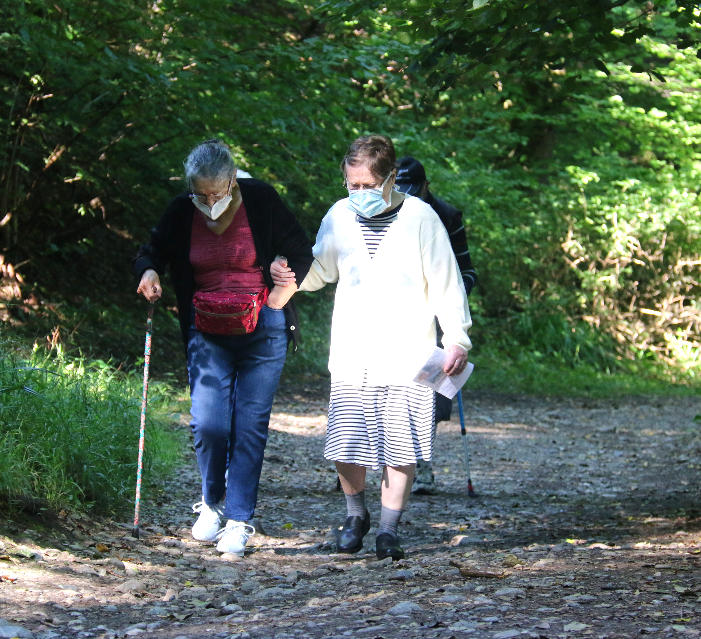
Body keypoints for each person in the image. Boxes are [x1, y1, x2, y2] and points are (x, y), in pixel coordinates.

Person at [271, 135, 471, 560]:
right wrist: (287, 276)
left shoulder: (422, 218)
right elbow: (319, 269)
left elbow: (447, 284)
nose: (357, 194)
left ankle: (388, 529)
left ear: (390, 179)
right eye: (351, 185)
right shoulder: (339, 216)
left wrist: (456, 338)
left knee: (402, 445)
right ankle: (355, 516)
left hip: (407, 352)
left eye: (366, 185)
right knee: (348, 442)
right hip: (352, 351)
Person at [133, 140, 313, 557]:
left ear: (233, 179)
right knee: (209, 423)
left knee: (249, 423)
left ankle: (239, 518)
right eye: (202, 194)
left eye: (217, 192)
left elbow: (302, 251)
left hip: (262, 326)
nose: (210, 201)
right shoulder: (182, 210)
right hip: (207, 328)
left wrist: (282, 289)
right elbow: (150, 251)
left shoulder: (262, 198)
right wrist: (148, 272)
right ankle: (212, 503)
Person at [394, 156, 478, 495]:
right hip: (392, 314)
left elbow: (467, 271)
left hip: (438, 316)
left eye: (413, 190)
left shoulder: (447, 215)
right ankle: (366, 460)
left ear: (426, 186)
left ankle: (422, 466)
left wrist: (449, 298)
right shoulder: (385, 210)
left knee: (432, 392)